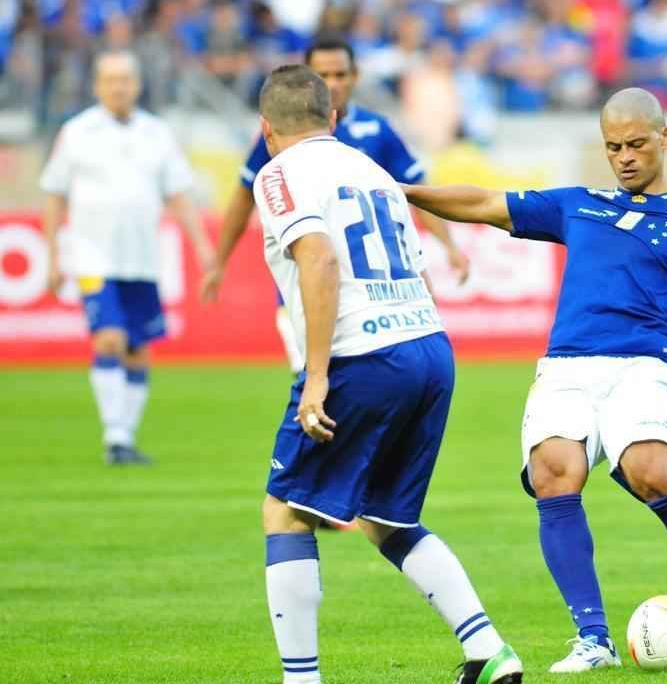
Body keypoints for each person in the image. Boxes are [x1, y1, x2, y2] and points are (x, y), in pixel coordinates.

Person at [404, 87, 667, 673]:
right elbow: (485, 203)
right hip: (568, 365)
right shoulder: (578, 204)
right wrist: (405, 192)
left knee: (652, 472)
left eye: (637, 144)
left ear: (665, 139)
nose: (624, 157)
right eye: (613, 146)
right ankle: (593, 638)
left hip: (646, 363)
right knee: (553, 474)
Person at [252, 65, 522, 684]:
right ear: (334, 120)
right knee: (385, 518)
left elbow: (318, 257)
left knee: (286, 510)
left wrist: (316, 375)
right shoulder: (371, 170)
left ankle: (300, 680)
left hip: (362, 354)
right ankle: (489, 652)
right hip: (428, 346)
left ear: (266, 129)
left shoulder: (278, 175)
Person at [201, 37, 468, 372]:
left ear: (355, 76)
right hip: (307, 288)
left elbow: (414, 193)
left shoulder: (377, 131)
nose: (334, 84)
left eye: (341, 74)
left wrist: (449, 246)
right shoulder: (281, 133)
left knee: (339, 392)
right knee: (319, 383)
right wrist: (219, 261)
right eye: (323, 75)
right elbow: (244, 196)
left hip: (371, 297)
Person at [40, 50, 214, 466]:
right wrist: (51, 256)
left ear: (137, 84)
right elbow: (54, 193)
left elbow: (178, 195)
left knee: (138, 347)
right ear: (98, 85)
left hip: (143, 258)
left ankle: (126, 438)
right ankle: (115, 436)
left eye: (125, 79)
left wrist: (203, 247)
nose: (118, 87)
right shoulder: (77, 131)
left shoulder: (157, 133)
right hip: (92, 256)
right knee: (110, 338)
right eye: (110, 79)